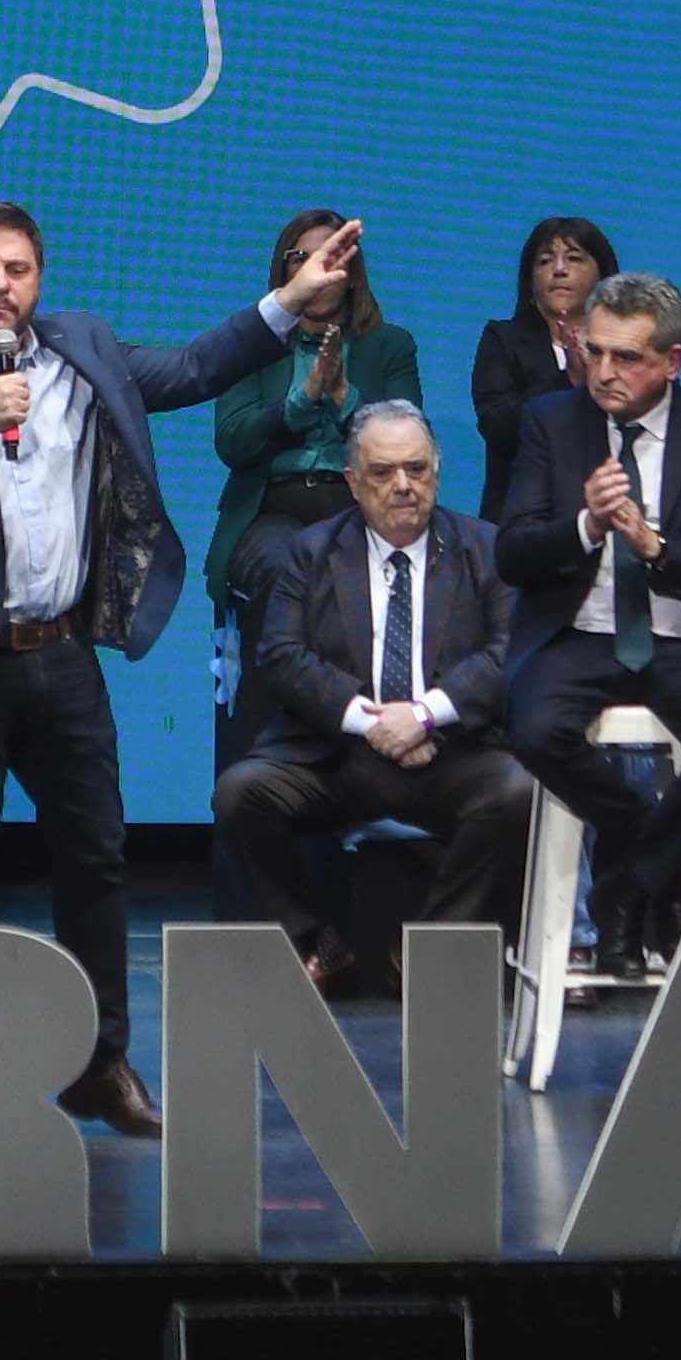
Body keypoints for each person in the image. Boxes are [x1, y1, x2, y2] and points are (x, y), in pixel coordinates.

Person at [0, 200, 364, 1132]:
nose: (0, 286)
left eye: (17, 270)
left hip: (62, 654)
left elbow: (200, 367)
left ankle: (101, 1061)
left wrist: (290, 300)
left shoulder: (80, 346)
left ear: (39, 277)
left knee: (97, 859)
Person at [495, 272, 681, 963]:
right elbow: (512, 552)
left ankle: (623, 886)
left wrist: (659, 549)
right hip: (580, 635)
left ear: (672, 362)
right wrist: (586, 526)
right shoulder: (550, 423)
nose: (605, 372)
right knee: (533, 730)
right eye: (596, 352)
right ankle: (649, 861)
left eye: (628, 358)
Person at [212, 401, 533, 997]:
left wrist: (423, 716)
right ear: (353, 483)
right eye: (384, 473)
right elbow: (281, 655)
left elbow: (507, 652)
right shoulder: (309, 552)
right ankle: (318, 943)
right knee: (240, 794)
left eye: (417, 469)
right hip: (341, 756)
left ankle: (430, 947)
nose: (403, 486)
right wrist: (371, 721)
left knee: (520, 791)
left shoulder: (487, 549)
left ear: (438, 472)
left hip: (449, 751)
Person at [210, 210, 427, 628]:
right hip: (271, 510)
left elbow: (413, 439)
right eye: (302, 257)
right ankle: (269, 693)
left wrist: (344, 396)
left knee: (358, 577)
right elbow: (232, 441)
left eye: (333, 255)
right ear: (286, 270)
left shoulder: (390, 346)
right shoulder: (250, 344)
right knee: (284, 567)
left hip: (363, 510)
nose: (318, 266)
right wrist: (302, 399)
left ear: (352, 271)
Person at [472, 216, 619, 524]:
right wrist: (567, 380)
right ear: (530, 278)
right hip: (520, 520)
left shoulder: (625, 347)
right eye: (545, 260)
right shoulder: (503, 340)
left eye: (574, 258)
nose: (559, 269)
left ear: (603, 275)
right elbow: (497, 426)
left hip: (610, 516)